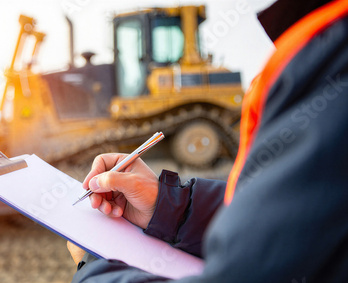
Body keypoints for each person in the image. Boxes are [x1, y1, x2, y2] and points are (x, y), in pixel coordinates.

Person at [67, 0, 348, 282]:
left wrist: (91, 268)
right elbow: (286, 216)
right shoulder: (323, 44)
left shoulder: (332, 58)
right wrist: (169, 206)